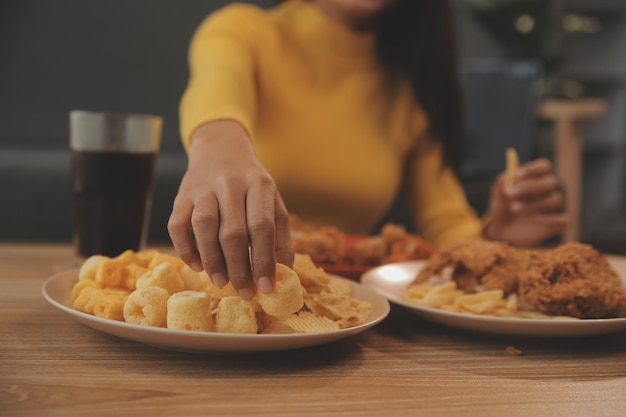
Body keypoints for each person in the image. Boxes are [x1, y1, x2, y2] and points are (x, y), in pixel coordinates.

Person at [168, 0, 569, 300]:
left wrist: (497, 234)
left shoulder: (411, 87)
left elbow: (447, 225)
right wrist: (217, 144)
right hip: (232, 287)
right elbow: (217, 86)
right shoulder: (242, 31)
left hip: (353, 310)